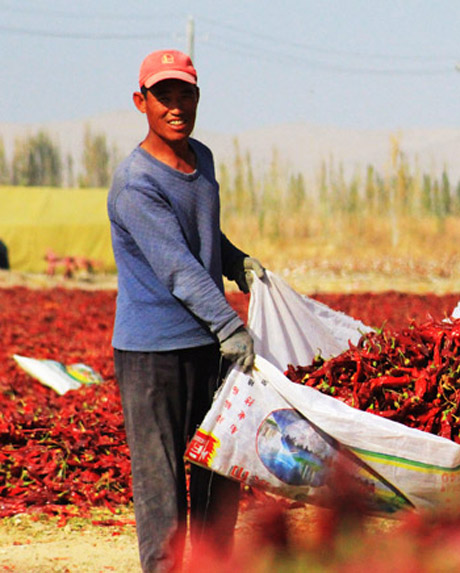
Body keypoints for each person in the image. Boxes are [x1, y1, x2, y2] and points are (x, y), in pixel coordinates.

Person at [107, 49, 265, 572]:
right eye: (163, 97)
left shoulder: (202, 159)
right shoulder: (136, 182)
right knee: (162, 483)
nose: (176, 107)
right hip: (154, 352)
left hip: (208, 345)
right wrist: (229, 324)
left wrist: (233, 259)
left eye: (185, 95)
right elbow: (175, 265)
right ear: (141, 102)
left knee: (220, 471)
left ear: (198, 98)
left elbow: (197, 238)